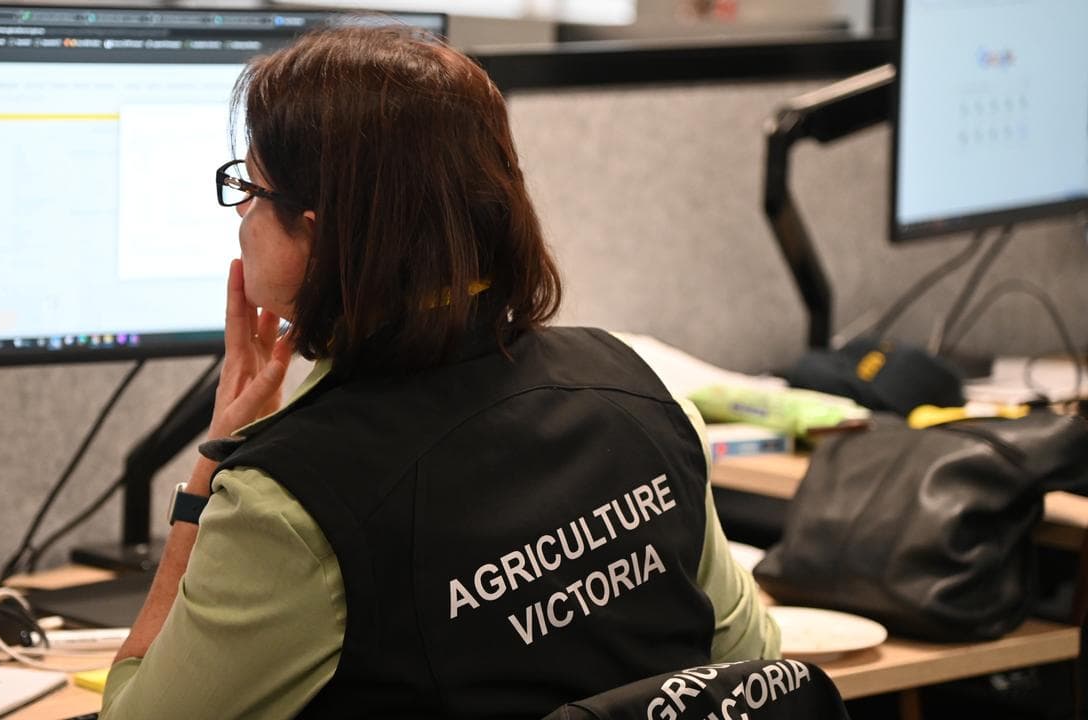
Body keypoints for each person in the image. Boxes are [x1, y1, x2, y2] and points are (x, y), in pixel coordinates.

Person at [100, 23, 778, 720]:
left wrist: (210, 474)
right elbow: (752, 665)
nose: (240, 213)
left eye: (251, 187)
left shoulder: (293, 507)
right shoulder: (638, 393)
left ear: (320, 234)